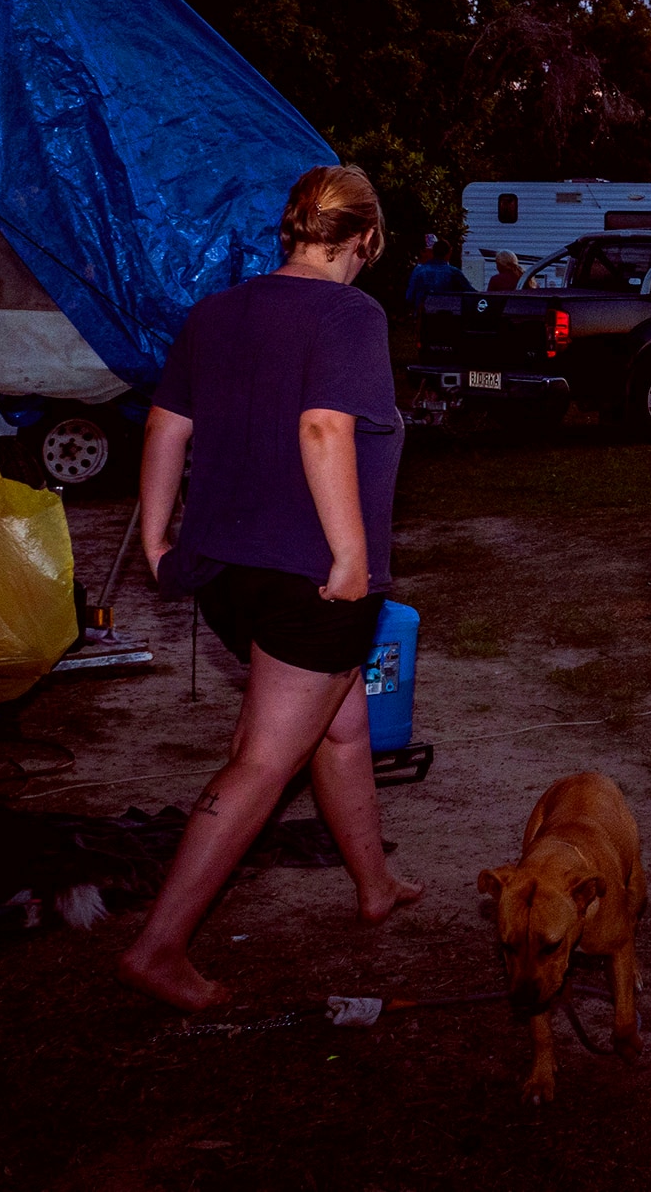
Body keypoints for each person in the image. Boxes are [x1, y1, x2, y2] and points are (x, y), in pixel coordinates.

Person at [119, 164, 423, 1011]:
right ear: (362, 238)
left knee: (342, 725)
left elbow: (164, 424)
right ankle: (159, 945)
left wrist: (155, 538)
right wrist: (350, 557)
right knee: (260, 761)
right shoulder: (350, 313)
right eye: (373, 246)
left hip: (227, 574)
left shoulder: (217, 312)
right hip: (311, 580)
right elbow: (323, 426)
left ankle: (374, 883)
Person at [403, 238, 473, 306]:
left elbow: (409, 297)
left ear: (433, 252)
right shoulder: (454, 272)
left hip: (423, 315)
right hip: (448, 314)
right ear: (449, 253)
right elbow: (471, 294)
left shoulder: (418, 270)